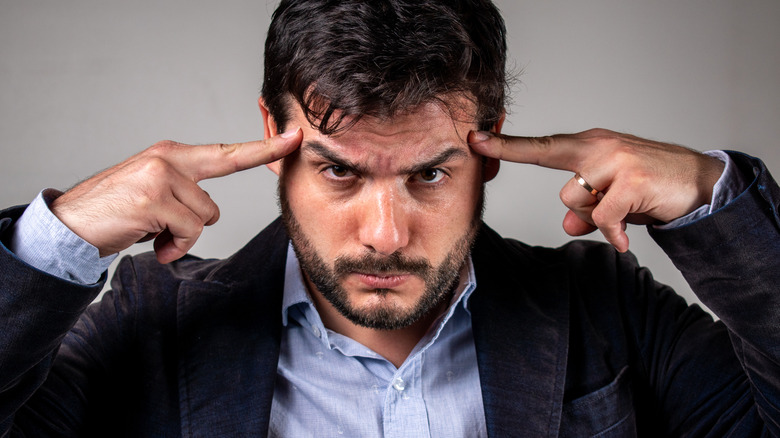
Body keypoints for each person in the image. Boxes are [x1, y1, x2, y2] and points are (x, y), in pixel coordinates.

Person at [1, 0, 778, 436]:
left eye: (430, 173)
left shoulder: (605, 306)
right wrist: (56, 237)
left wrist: (712, 197)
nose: (385, 234)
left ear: (492, 146)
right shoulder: (154, 321)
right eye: (339, 170)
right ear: (276, 144)